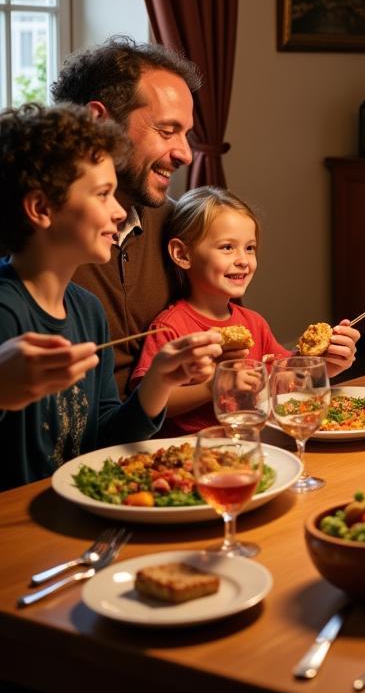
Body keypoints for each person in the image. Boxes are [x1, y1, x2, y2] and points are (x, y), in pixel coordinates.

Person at [0, 104, 221, 489]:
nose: (120, 212)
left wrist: (159, 381)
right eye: (103, 194)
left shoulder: (87, 310)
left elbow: (104, 442)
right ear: (40, 208)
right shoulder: (6, 311)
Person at [129, 187, 359, 433]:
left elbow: (284, 378)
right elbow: (147, 403)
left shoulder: (254, 323)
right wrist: (213, 386)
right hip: (192, 453)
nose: (243, 260)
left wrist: (323, 366)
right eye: (227, 247)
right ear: (182, 254)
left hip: (254, 444)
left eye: (250, 248)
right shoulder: (170, 328)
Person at [51, 36, 203, 394]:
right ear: (98, 122)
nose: (186, 154)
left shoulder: (178, 225)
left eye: (186, 135)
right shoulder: (29, 234)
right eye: (167, 131)